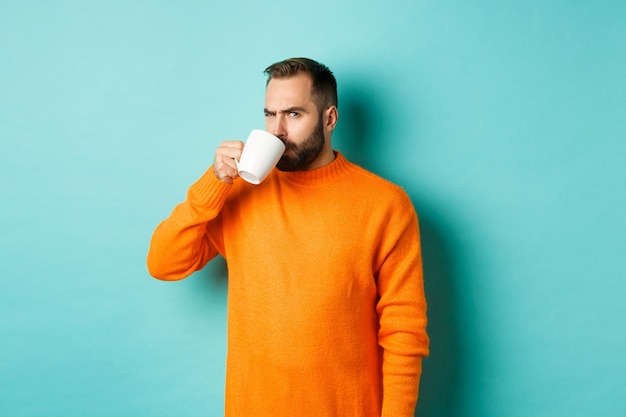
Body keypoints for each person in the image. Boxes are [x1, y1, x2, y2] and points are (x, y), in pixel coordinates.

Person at [147, 57, 429, 417]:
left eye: (293, 115)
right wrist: (213, 182)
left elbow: (403, 331)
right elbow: (163, 263)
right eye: (269, 114)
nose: (276, 130)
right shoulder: (239, 193)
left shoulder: (385, 205)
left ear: (329, 119)